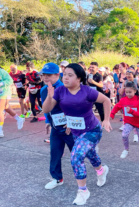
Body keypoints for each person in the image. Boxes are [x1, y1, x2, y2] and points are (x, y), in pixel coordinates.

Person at [43, 63, 112, 205]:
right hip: (75, 132)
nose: (65, 77)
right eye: (65, 74)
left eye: (70, 75)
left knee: (76, 156)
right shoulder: (60, 91)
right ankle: (101, 170)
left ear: (79, 78)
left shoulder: (87, 91)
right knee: (90, 155)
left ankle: (83, 191)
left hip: (92, 130)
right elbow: (46, 109)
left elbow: (106, 100)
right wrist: (50, 97)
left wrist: (106, 119)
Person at [40, 63, 75, 190]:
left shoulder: (67, 88)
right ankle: (57, 178)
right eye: (43, 75)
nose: (45, 78)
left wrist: (71, 122)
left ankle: (98, 169)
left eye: (48, 75)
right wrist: (48, 121)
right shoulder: (43, 90)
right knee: (55, 154)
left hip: (70, 128)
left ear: (57, 75)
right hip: (55, 128)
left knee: (77, 155)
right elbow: (46, 108)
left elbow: (76, 106)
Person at [110, 81, 139, 160]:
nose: (128, 94)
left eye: (130, 92)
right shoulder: (123, 100)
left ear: (135, 91)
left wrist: (131, 111)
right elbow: (117, 106)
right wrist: (112, 114)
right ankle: (126, 149)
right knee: (124, 135)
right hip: (129, 122)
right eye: (126, 92)